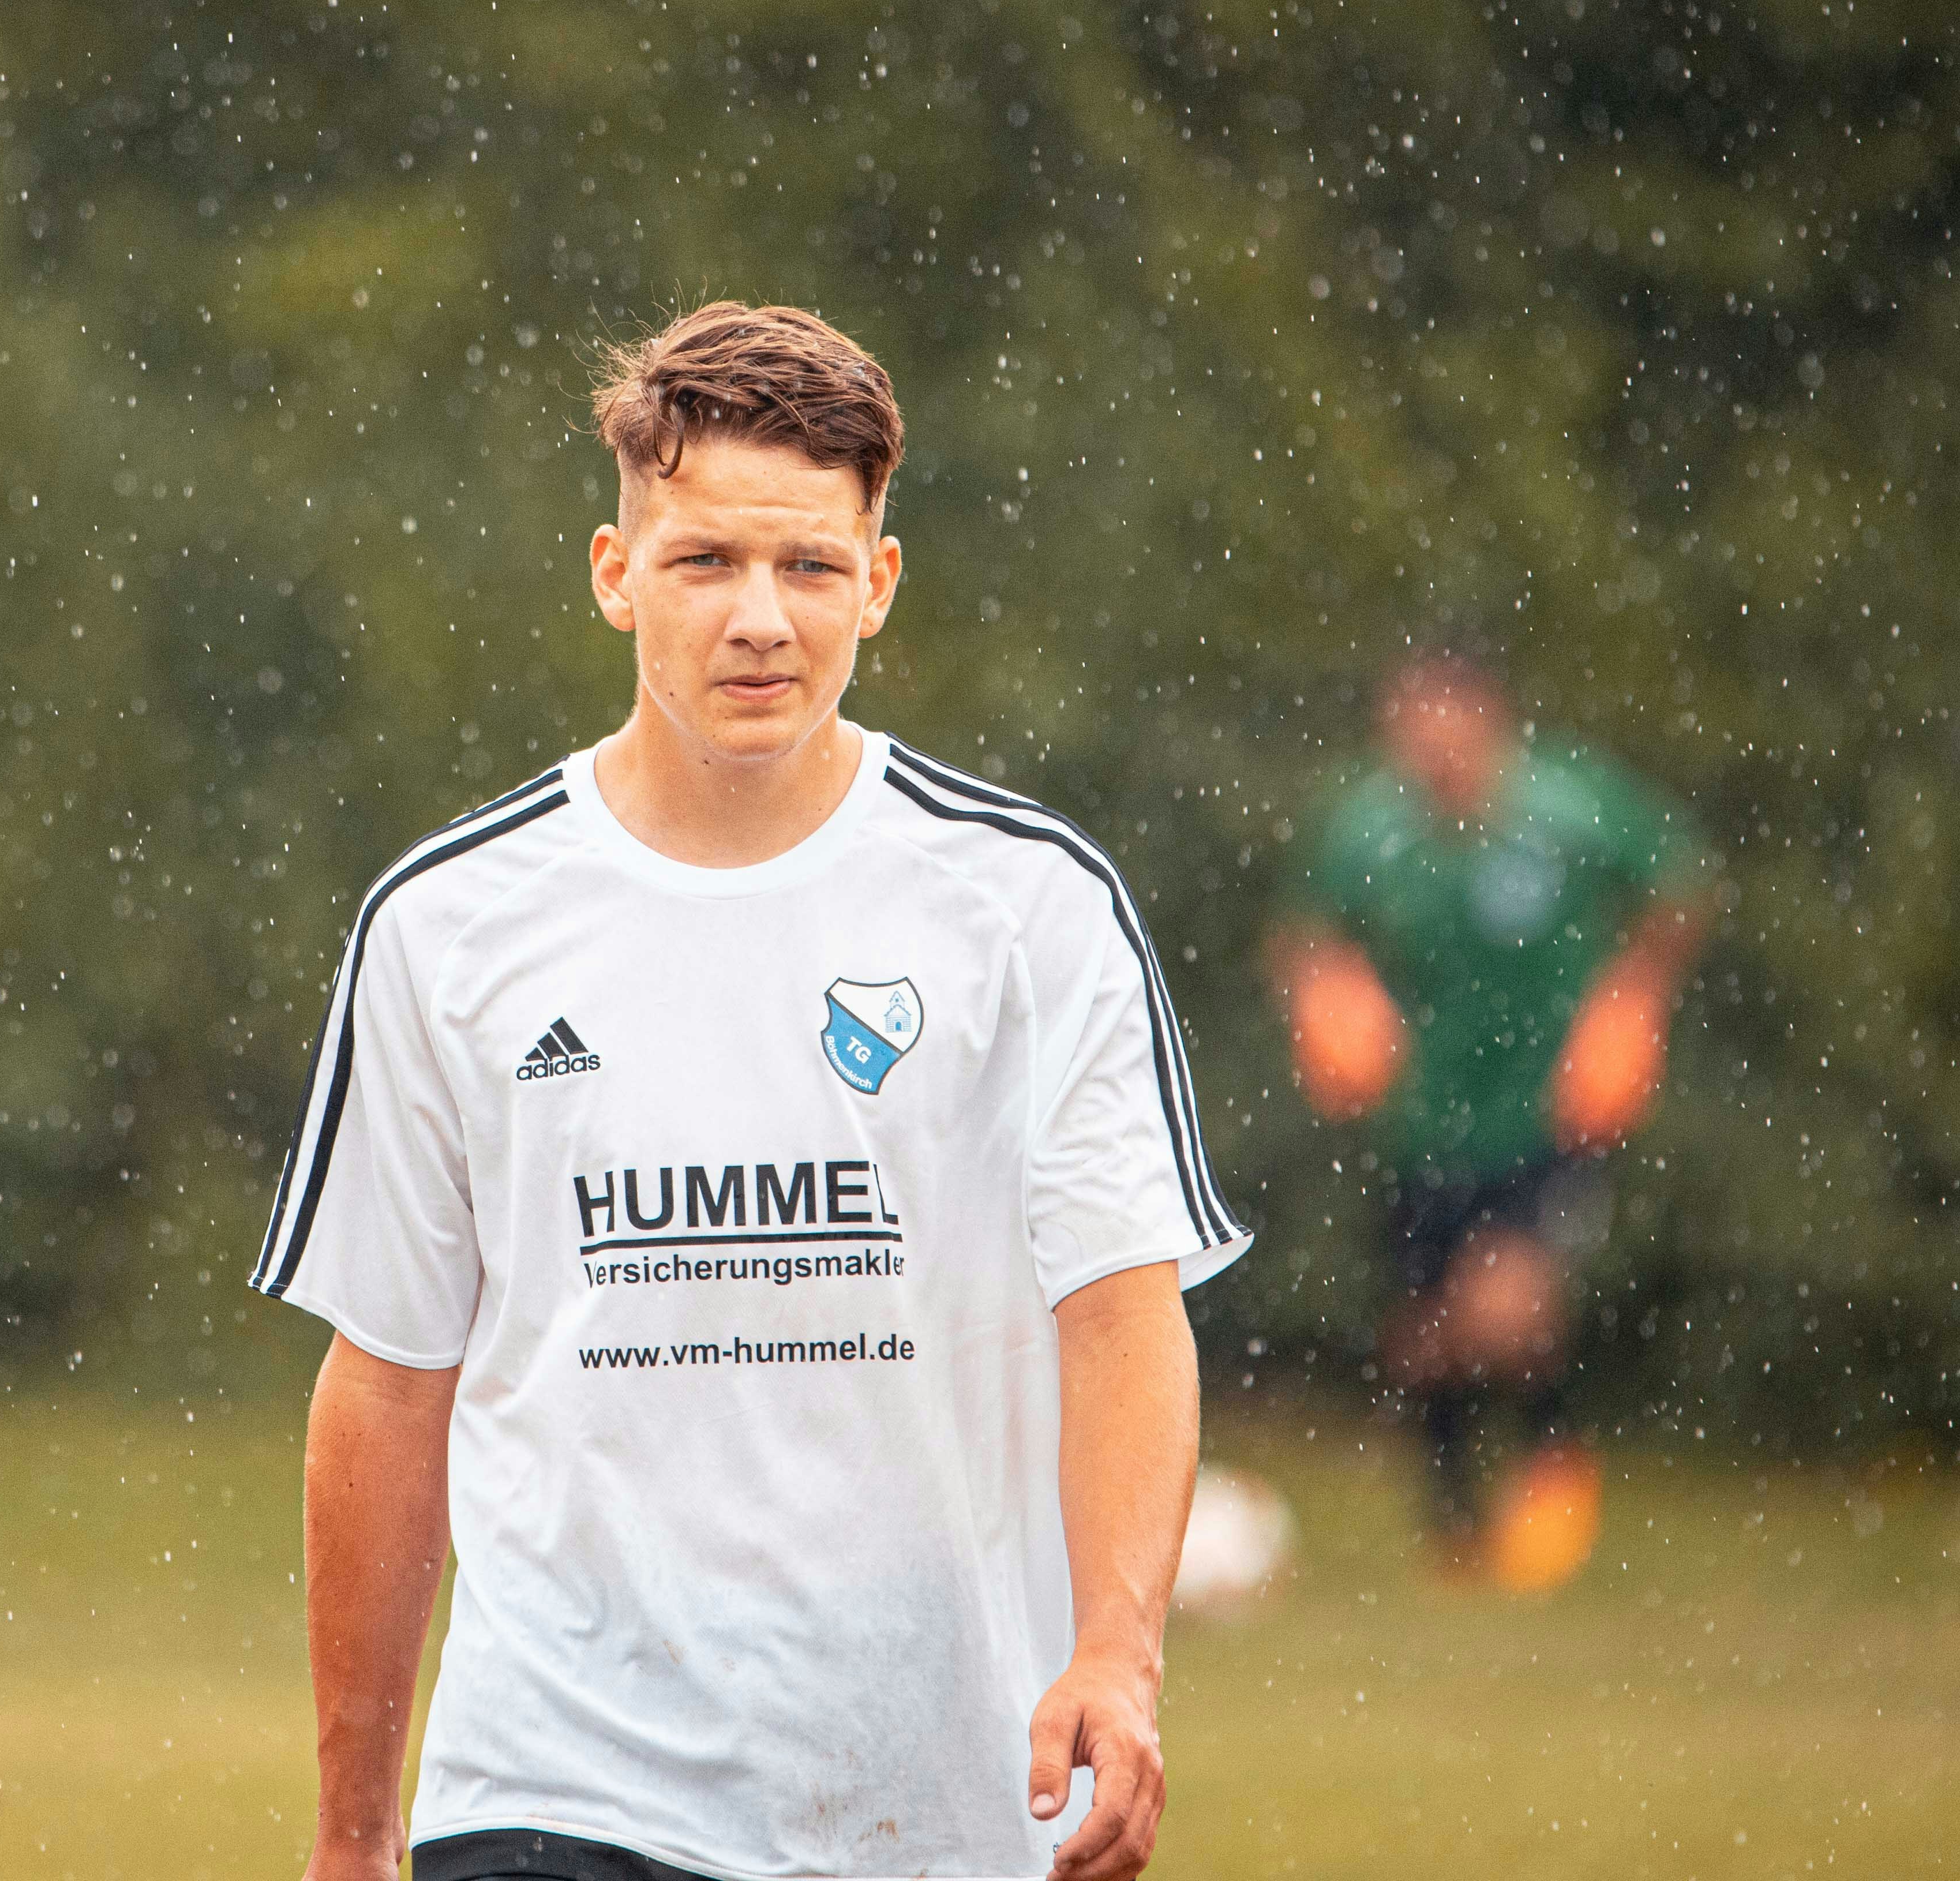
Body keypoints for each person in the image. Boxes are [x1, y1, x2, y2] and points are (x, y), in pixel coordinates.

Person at [252, 303, 1246, 1881]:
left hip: (939, 1800)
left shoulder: (1029, 909)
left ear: (882, 583)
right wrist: (356, 1832)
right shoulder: (449, 926)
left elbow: (1124, 1315)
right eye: (706, 561)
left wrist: (1119, 1659)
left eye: (810, 567)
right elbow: (387, 1382)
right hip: (553, 1787)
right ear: (613, 573)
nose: (759, 620)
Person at [1265, 649, 1712, 1591]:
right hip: (1421, 1120)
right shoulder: (1370, 829)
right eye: (1406, 726)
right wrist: (1327, 998)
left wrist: (1633, 1002)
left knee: (1508, 1306)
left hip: (1545, 1115)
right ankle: (1457, 1522)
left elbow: (1681, 887)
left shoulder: (1571, 808)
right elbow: (1304, 932)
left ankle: (1555, 1467)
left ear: (1488, 718)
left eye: (1439, 722)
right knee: (1424, 1334)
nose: (1423, 746)